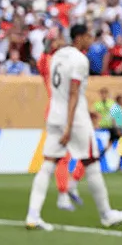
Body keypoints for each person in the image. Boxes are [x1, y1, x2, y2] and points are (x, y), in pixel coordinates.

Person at [25, 25, 122, 231]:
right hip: (73, 119)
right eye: (89, 36)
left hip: (54, 115)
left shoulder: (57, 56)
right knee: (91, 163)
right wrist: (69, 126)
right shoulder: (80, 60)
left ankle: (33, 215)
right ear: (80, 37)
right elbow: (74, 94)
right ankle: (106, 214)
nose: (92, 39)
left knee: (47, 165)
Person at [37, 31, 82, 212]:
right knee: (62, 156)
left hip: (72, 112)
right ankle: (63, 194)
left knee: (88, 150)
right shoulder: (49, 63)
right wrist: (49, 46)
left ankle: (71, 184)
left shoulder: (68, 62)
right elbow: (43, 62)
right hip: (59, 113)